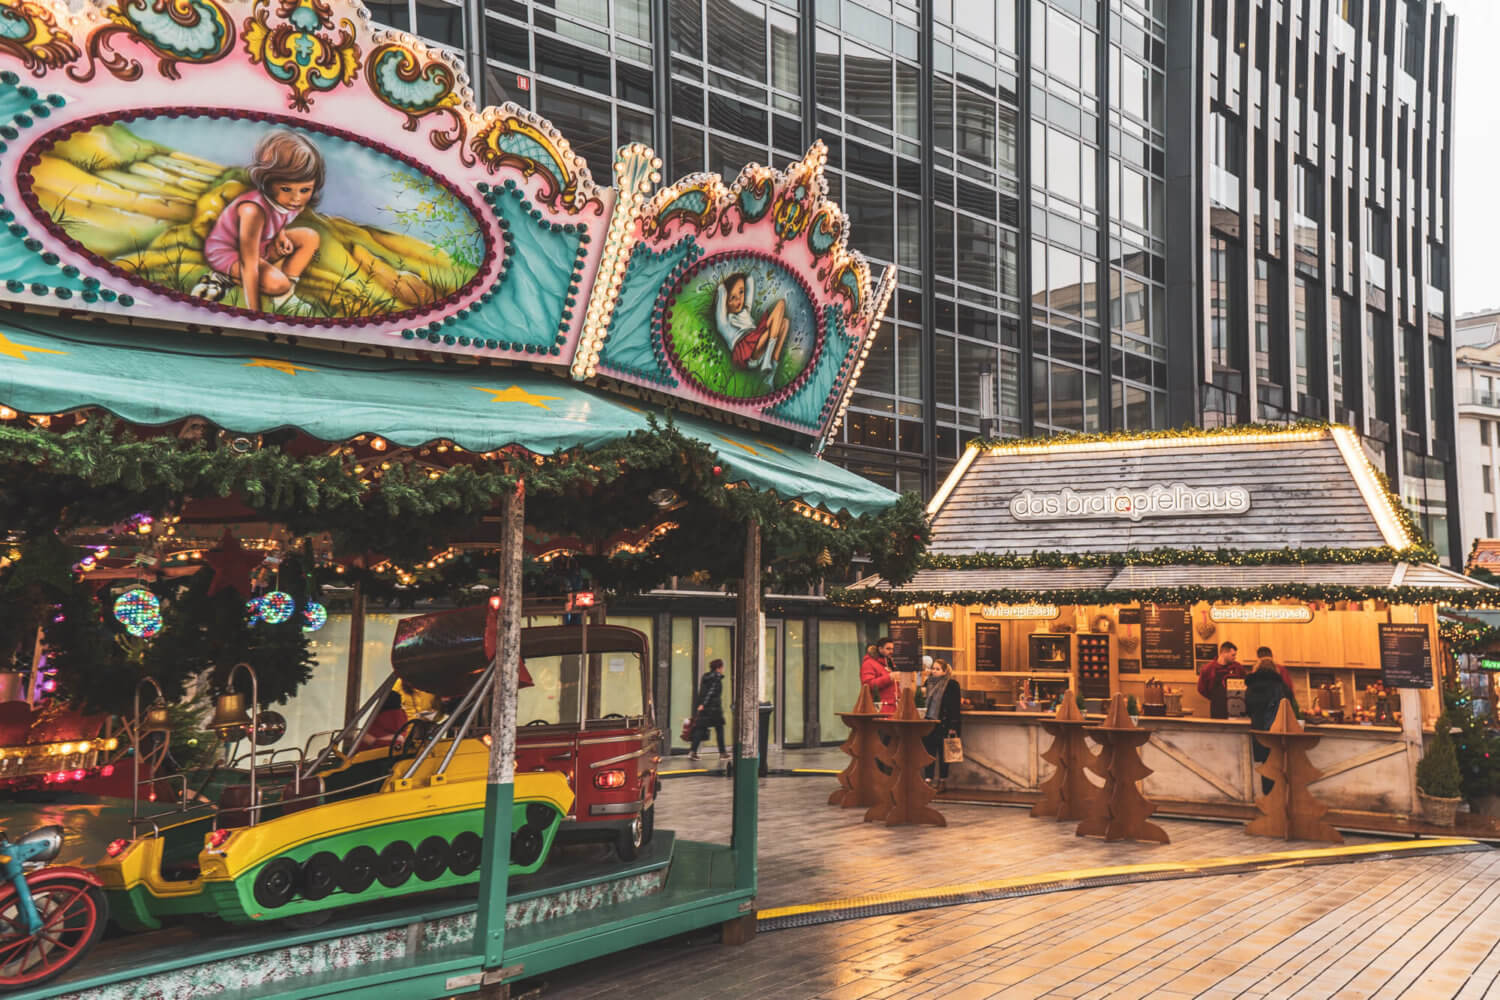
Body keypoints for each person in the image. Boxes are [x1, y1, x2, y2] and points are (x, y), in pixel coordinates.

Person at [197, 130, 324, 314]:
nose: (296, 198)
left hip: (262, 245)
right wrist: (255, 314)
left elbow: (279, 220)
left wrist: (280, 235)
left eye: (305, 190)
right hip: (229, 253)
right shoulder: (253, 211)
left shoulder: (294, 205)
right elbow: (249, 264)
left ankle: (285, 299)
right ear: (268, 182)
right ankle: (221, 278)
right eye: (286, 188)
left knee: (310, 237)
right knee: (278, 284)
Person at [714, 272, 789, 374]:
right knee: (774, 322)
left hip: (758, 338)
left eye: (741, 292)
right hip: (747, 350)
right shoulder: (724, 324)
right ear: (725, 302)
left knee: (785, 321)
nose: (739, 299)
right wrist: (722, 288)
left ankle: (771, 370)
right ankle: (766, 362)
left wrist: (744, 276)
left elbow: (749, 280)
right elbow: (721, 290)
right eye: (733, 298)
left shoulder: (745, 311)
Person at [1245, 653, 1299, 794]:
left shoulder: (1250, 687)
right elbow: (1291, 710)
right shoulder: (1281, 687)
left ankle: (1268, 803)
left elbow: (1248, 709)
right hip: (1278, 734)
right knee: (1280, 769)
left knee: (1266, 768)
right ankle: (1280, 804)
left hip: (1259, 733)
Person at [921, 658, 962, 790]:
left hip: (944, 723)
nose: (934, 671)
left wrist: (953, 726)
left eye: (938, 669)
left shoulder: (952, 684)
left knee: (944, 754)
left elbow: (955, 707)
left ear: (945, 671)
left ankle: (942, 780)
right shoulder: (928, 683)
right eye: (933, 668)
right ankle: (928, 779)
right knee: (928, 753)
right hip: (929, 722)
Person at [689, 658, 728, 761]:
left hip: (706, 709)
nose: (723, 669)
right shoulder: (716, 678)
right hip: (713, 709)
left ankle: (693, 751)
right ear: (718, 668)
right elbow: (710, 693)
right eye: (722, 667)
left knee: (700, 729)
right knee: (719, 730)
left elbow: (702, 692)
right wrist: (704, 704)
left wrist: (701, 705)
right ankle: (722, 753)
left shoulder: (705, 677)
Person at [1197, 640, 1244, 719]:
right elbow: (1201, 689)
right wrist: (1215, 698)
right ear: (1224, 653)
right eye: (1233, 655)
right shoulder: (1208, 669)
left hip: (1236, 707)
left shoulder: (1238, 668)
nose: (1235, 657)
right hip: (1217, 707)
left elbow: (1245, 685)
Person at [860, 637, 898, 713]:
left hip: (892, 708)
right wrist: (889, 677)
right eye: (888, 649)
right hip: (879, 709)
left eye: (892, 649)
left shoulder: (891, 664)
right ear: (880, 649)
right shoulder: (869, 664)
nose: (891, 651)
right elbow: (867, 684)